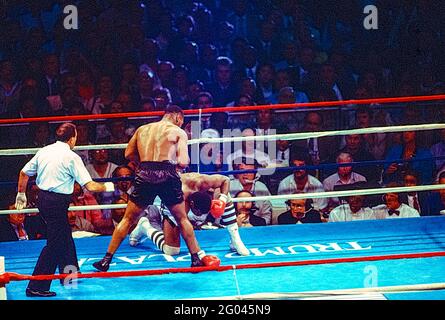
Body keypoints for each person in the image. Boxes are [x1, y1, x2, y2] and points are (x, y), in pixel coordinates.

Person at [93, 105, 220, 271]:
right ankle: (195, 259)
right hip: (167, 173)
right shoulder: (178, 131)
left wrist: (143, 164)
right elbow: (183, 162)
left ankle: (106, 260)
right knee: (181, 219)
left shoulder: (142, 129)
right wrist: (172, 165)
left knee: (128, 219)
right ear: (178, 118)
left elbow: (128, 154)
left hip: (145, 172)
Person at [15, 122, 114, 297]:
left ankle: (70, 273)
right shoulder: (71, 157)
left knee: (63, 235)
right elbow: (90, 186)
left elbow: (24, 173)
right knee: (55, 243)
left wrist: (21, 194)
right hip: (56, 202)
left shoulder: (44, 151)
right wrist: (108, 186)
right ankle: (37, 286)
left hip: (43, 199)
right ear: (71, 138)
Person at [129, 172, 249, 256]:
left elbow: (225, 180)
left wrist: (221, 200)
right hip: (168, 204)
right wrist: (200, 254)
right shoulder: (178, 199)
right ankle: (145, 227)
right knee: (171, 250)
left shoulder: (203, 182)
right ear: (191, 205)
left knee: (224, 194)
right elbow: (187, 234)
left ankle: (235, 239)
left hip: (193, 198)